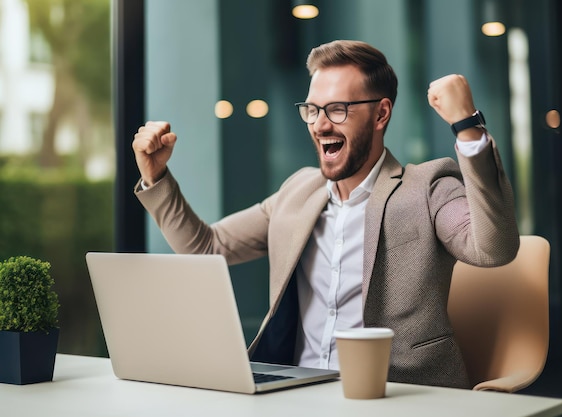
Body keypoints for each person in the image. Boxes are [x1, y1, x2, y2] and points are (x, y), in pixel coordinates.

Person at [131, 40, 519, 389]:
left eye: (336, 109)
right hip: (295, 395)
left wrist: (467, 126)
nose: (319, 124)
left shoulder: (427, 186)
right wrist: (156, 177)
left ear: (381, 114)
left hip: (399, 396)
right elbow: (206, 247)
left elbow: (493, 249)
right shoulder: (297, 192)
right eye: (312, 109)